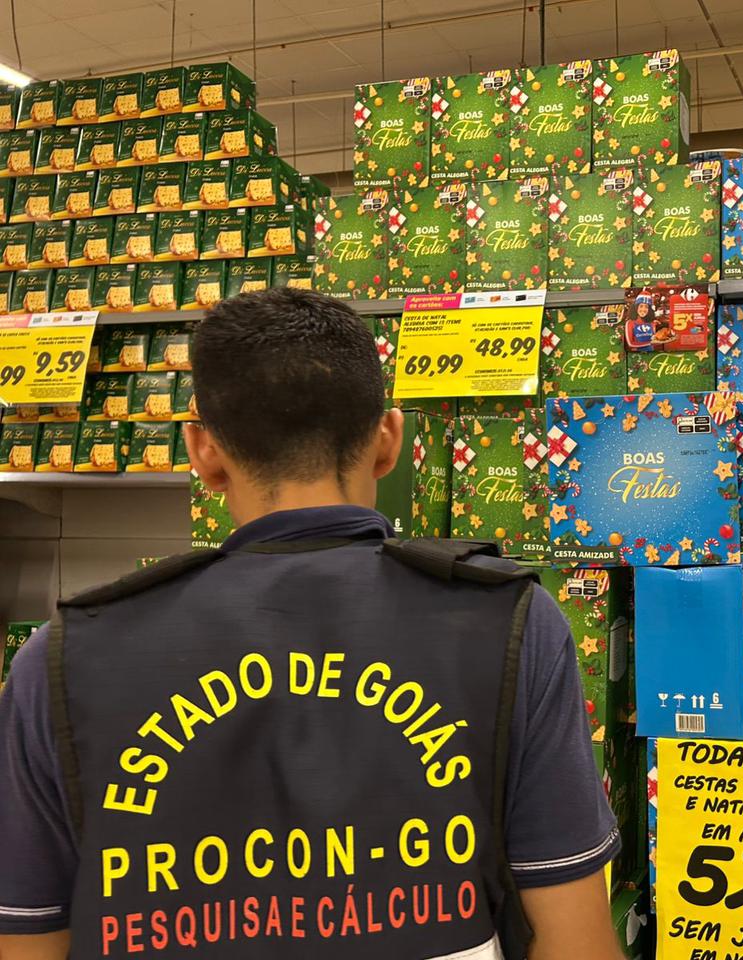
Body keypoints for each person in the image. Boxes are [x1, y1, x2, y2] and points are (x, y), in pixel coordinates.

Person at [0, 288, 622, 960]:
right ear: (389, 441)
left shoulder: (62, 660)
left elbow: (30, 941)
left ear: (202, 452)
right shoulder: (512, 624)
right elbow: (575, 944)